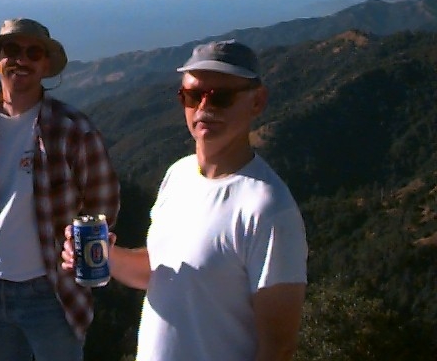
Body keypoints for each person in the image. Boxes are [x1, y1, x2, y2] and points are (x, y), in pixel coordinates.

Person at [62, 39, 308, 361]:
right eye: (192, 95)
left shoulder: (268, 208)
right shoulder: (178, 175)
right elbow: (159, 269)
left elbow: (278, 347)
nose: (204, 107)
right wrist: (103, 255)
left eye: (221, 96)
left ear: (257, 102)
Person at [0, 17, 120, 361]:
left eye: (33, 53)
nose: (22, 60)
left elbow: (104, 199)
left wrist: (85, 258)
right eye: (11, 50)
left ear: (45, 65)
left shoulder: (72, 129)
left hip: (51, 294)